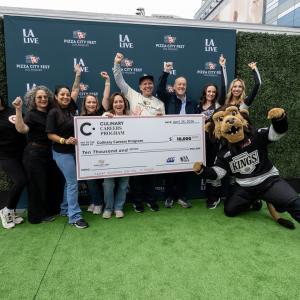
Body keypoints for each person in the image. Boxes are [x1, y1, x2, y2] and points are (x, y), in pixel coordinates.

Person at [113, 52, 165, 213]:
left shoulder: (159, 103)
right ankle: (137, 201)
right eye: (144, 84)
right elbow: (119, 81)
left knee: (151, 175)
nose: (147, 86)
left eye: (150, 83)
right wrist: (117, 64)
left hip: (152, 143)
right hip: (135, 143)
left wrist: (160, 119)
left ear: (153, 85)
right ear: (140, 87)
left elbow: (165, 125)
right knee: (136, 175)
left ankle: (151, 200)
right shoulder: (132, 94)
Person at [12, 86, 64, 224]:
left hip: (50, 153)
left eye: (45, 97)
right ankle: (37, 216)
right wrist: (18, 109)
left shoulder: (52, 113)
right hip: (34, 154)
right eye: (39, 97)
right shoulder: (31, 114)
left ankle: (51, 210)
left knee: (52, 182)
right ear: (33, 100)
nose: (43, 99)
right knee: (37, 185)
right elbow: (21, 129)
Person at [46, 65, 89, 229]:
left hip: (74, 152)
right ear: (56, 97)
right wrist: (65, 141)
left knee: (70, 182)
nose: (65, 97)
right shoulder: (53, 112)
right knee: (72, 183)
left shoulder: (71, 107)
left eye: (66, 94)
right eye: (61, 94)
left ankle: (65, 209)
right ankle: (75, 217)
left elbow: (76, 88)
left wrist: (78, 74)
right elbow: (50, 134)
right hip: (61, 152)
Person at [156, 62, 194, 209]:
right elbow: (159, 89)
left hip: (186, 142)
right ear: (175, 85)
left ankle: (182, 197)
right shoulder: (169, 98)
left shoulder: (192, 103)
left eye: (184, 85)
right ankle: (169, 197)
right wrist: (166, 71)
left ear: (186, 87)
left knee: (183, 170)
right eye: (179, 84)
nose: (181, 87)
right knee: (170, 170)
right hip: (170, 142)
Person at [81, 71, 110, 214]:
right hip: (87, 154)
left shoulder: (100, 114)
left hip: (102, 152)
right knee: (90, 180)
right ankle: (95, 201)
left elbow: (105, 97)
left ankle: (98, 203)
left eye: (93, 102)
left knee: (100, 180)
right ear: (85, 104)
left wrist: (107, 81)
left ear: (97, 104)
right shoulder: (79, 118)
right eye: (89, 102)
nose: (91, 104)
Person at [101, 92, 130, 219]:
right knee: (108, 184)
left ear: (124, 103)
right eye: (116, 102)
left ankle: (118, 207)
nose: (119, 104)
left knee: (124, 183)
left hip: (126, 157)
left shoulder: (131, 117)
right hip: (109, 158)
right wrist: (103, 116)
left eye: (121, 101)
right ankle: (108, 208)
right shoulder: (107, 116)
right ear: (112, 104)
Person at [0, 95, 26, 229]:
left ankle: (11, 212)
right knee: (20, 180)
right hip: (6, 156)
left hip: (22, 153)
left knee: (22, 182)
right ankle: (6, 211)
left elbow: (24, 126)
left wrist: (18, 109)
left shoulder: (12, 110)